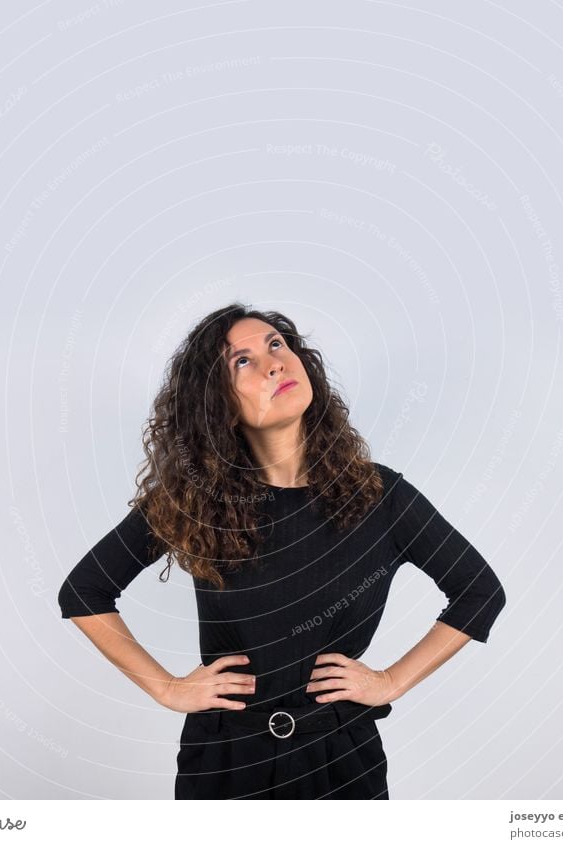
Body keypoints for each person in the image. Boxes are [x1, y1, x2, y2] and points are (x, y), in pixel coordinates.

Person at [57, 302, 506, 799]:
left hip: (341, 762)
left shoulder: (382, 497)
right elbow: (84, 591)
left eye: (276, 344)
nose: (274, 362)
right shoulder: (194, 501)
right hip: (224, 763)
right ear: (219, 405)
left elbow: (479, 592)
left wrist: (391, 681)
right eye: (242, 361)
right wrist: (165, 687)